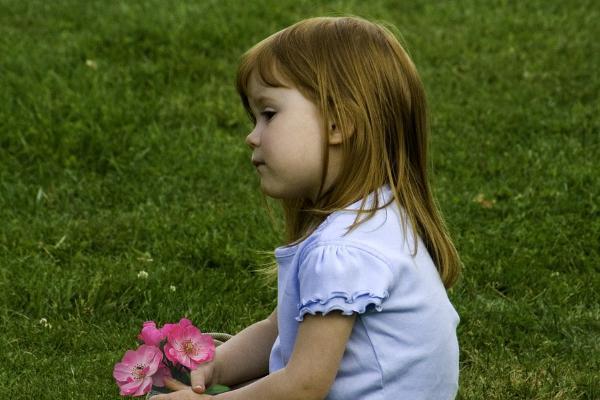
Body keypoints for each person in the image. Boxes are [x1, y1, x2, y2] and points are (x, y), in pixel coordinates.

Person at [155, 15, 461, 400]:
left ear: (338, 124)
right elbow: (280, 328)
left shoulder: (341, 251)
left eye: (268, 114)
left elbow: (303, 386)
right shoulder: (379, 214)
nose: (252, 137)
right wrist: (217, 363)